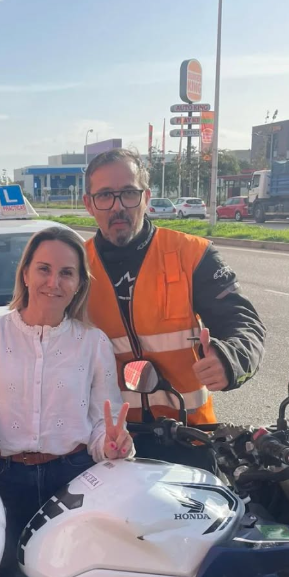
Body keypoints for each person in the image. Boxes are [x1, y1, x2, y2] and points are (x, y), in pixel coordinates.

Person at [0, 227, 133, 566]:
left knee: (72, 576)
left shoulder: (93, 343)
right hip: (3, 479)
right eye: (44, 269)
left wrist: (112, 445)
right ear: (25, 273)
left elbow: (100, 425)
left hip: (75, 481)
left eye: (67, 273)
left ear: (79, 284)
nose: (54, 282)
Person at [82, 148, 265, 455]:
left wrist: (231, 358)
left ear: (146, 197)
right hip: (111, 442)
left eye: (129, 193)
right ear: (88, 204)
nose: (118, 207)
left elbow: (243, 322)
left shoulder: (190, 254)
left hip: (191, 436)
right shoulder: (76, 267)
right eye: (105, 196)